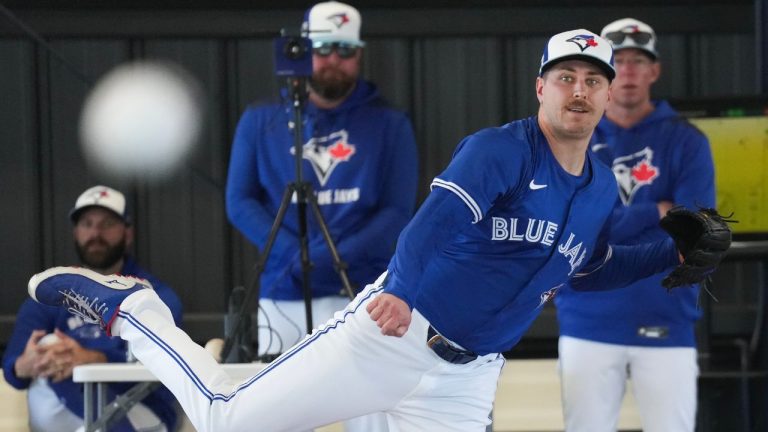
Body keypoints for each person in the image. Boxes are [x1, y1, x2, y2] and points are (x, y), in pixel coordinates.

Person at [27, 29, 693, 432]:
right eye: (565, 77)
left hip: (468, 375)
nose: (579, 90)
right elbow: (433, 221)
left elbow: (590, 265)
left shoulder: (602, 183)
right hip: (394, 333)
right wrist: (399, 287)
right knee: (223, 416)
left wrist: (677, 246)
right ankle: (134, 311)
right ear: (540, 88)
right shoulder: (503, 149)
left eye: (592, 81)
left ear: (608, 96)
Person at [225, 0, 417, 356]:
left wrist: (335, 256)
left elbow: (397, 211)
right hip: (284, 293)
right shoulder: (259, 120)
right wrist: (293, 254)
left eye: (345, 50)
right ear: (302, 52)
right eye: (323, 48)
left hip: (364, 293)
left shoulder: (390, 123)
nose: (333, 59)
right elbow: (239, 202)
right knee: (282, 410)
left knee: (368, 408)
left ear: (359, 56)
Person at [554, 18, 715, 432]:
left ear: (654, 71)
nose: (627, 71)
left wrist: (610, 223)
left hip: (668, 316)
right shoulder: (572, 136)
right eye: (618, 61)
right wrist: (653, 212)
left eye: (637, 61)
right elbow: (571, 227)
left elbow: (696, 231)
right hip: (587, 318)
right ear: (605, 74)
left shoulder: (688, 140)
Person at [2, 185, 184, 432]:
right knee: (47, 346)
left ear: (127, 233)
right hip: (67, 411)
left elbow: (163, 364)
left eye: (107, 224)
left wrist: (94, 359)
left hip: (139, 408)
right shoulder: (51, 292)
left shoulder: (152, 294)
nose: (95, 233)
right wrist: (25, 364)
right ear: (76, 232)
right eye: (87, 224)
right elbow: (13, 370)